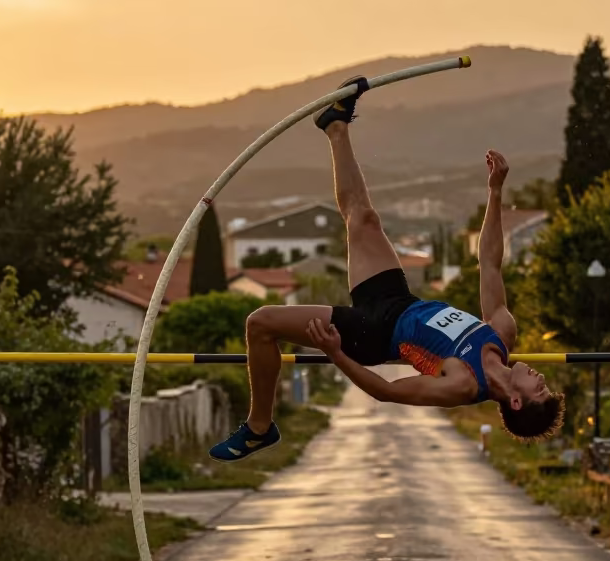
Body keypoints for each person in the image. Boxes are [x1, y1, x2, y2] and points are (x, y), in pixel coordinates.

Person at [210, 76, 565, 462]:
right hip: (397, 300)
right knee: (363, 219)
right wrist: (495, 193)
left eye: (539, 391)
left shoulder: (462, 384)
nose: (542, 379)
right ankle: (335, 125)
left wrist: (336, 353)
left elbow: (386, 391)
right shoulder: (501, 333)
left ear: (515, 401)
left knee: (261, 323)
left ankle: (260, 428)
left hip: (372, 333)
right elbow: (490, 264)